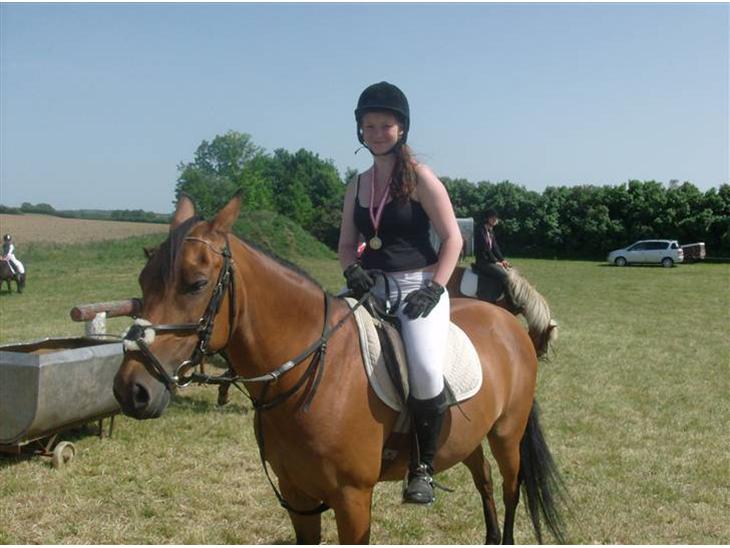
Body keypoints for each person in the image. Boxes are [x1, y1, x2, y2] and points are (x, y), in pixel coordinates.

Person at [337, 81, 463, 505]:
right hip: (371, 286)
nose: (376, 133)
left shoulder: (421, 178)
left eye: (385, 125)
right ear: (360, 129)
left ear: (402, 128)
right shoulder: (357, 184)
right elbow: (346, 244)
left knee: (425, 369)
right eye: (369, 125)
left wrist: (435, 288)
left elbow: (453, 239)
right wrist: (352, 271)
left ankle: (422, 467)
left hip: (418, 287)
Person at [473, 208, 515, 307]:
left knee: (509, 271)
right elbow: (485, 248)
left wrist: (503, 260)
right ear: (488, 219)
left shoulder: (490, 231)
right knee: (504, 276)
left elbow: (495, 247)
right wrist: (495, 261)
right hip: (483, 262)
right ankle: (494, 299)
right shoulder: (480, 230)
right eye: (494, 218)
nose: (496, 220)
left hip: (489, 261)